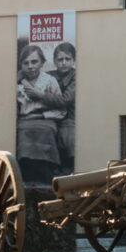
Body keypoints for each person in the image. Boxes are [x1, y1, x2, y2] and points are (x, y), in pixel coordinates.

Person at [23, 42, 76, 175]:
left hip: (69, 116)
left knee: (66, 136)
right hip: (51, 114)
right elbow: (31, 74)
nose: (64, 63)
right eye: (60, 59)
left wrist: (40, 95)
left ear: (74, 61)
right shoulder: (51, 75)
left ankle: (65, 166)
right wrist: (22, 79)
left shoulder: (76, 77)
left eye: (67, 59)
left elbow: (65, 100)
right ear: (54, 61)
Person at [16, 45, 64, 184]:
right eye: (26, 63)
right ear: (21, 65)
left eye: (34, 62)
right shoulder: (17, 83)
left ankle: (46, 173)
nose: (30, 66)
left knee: (46, 132)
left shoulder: (49, 81)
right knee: (22, 133)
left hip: (46, 119)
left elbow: (60, 107)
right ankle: (26, 174)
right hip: (24, 121)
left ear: (42, 62)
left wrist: (44, 115)